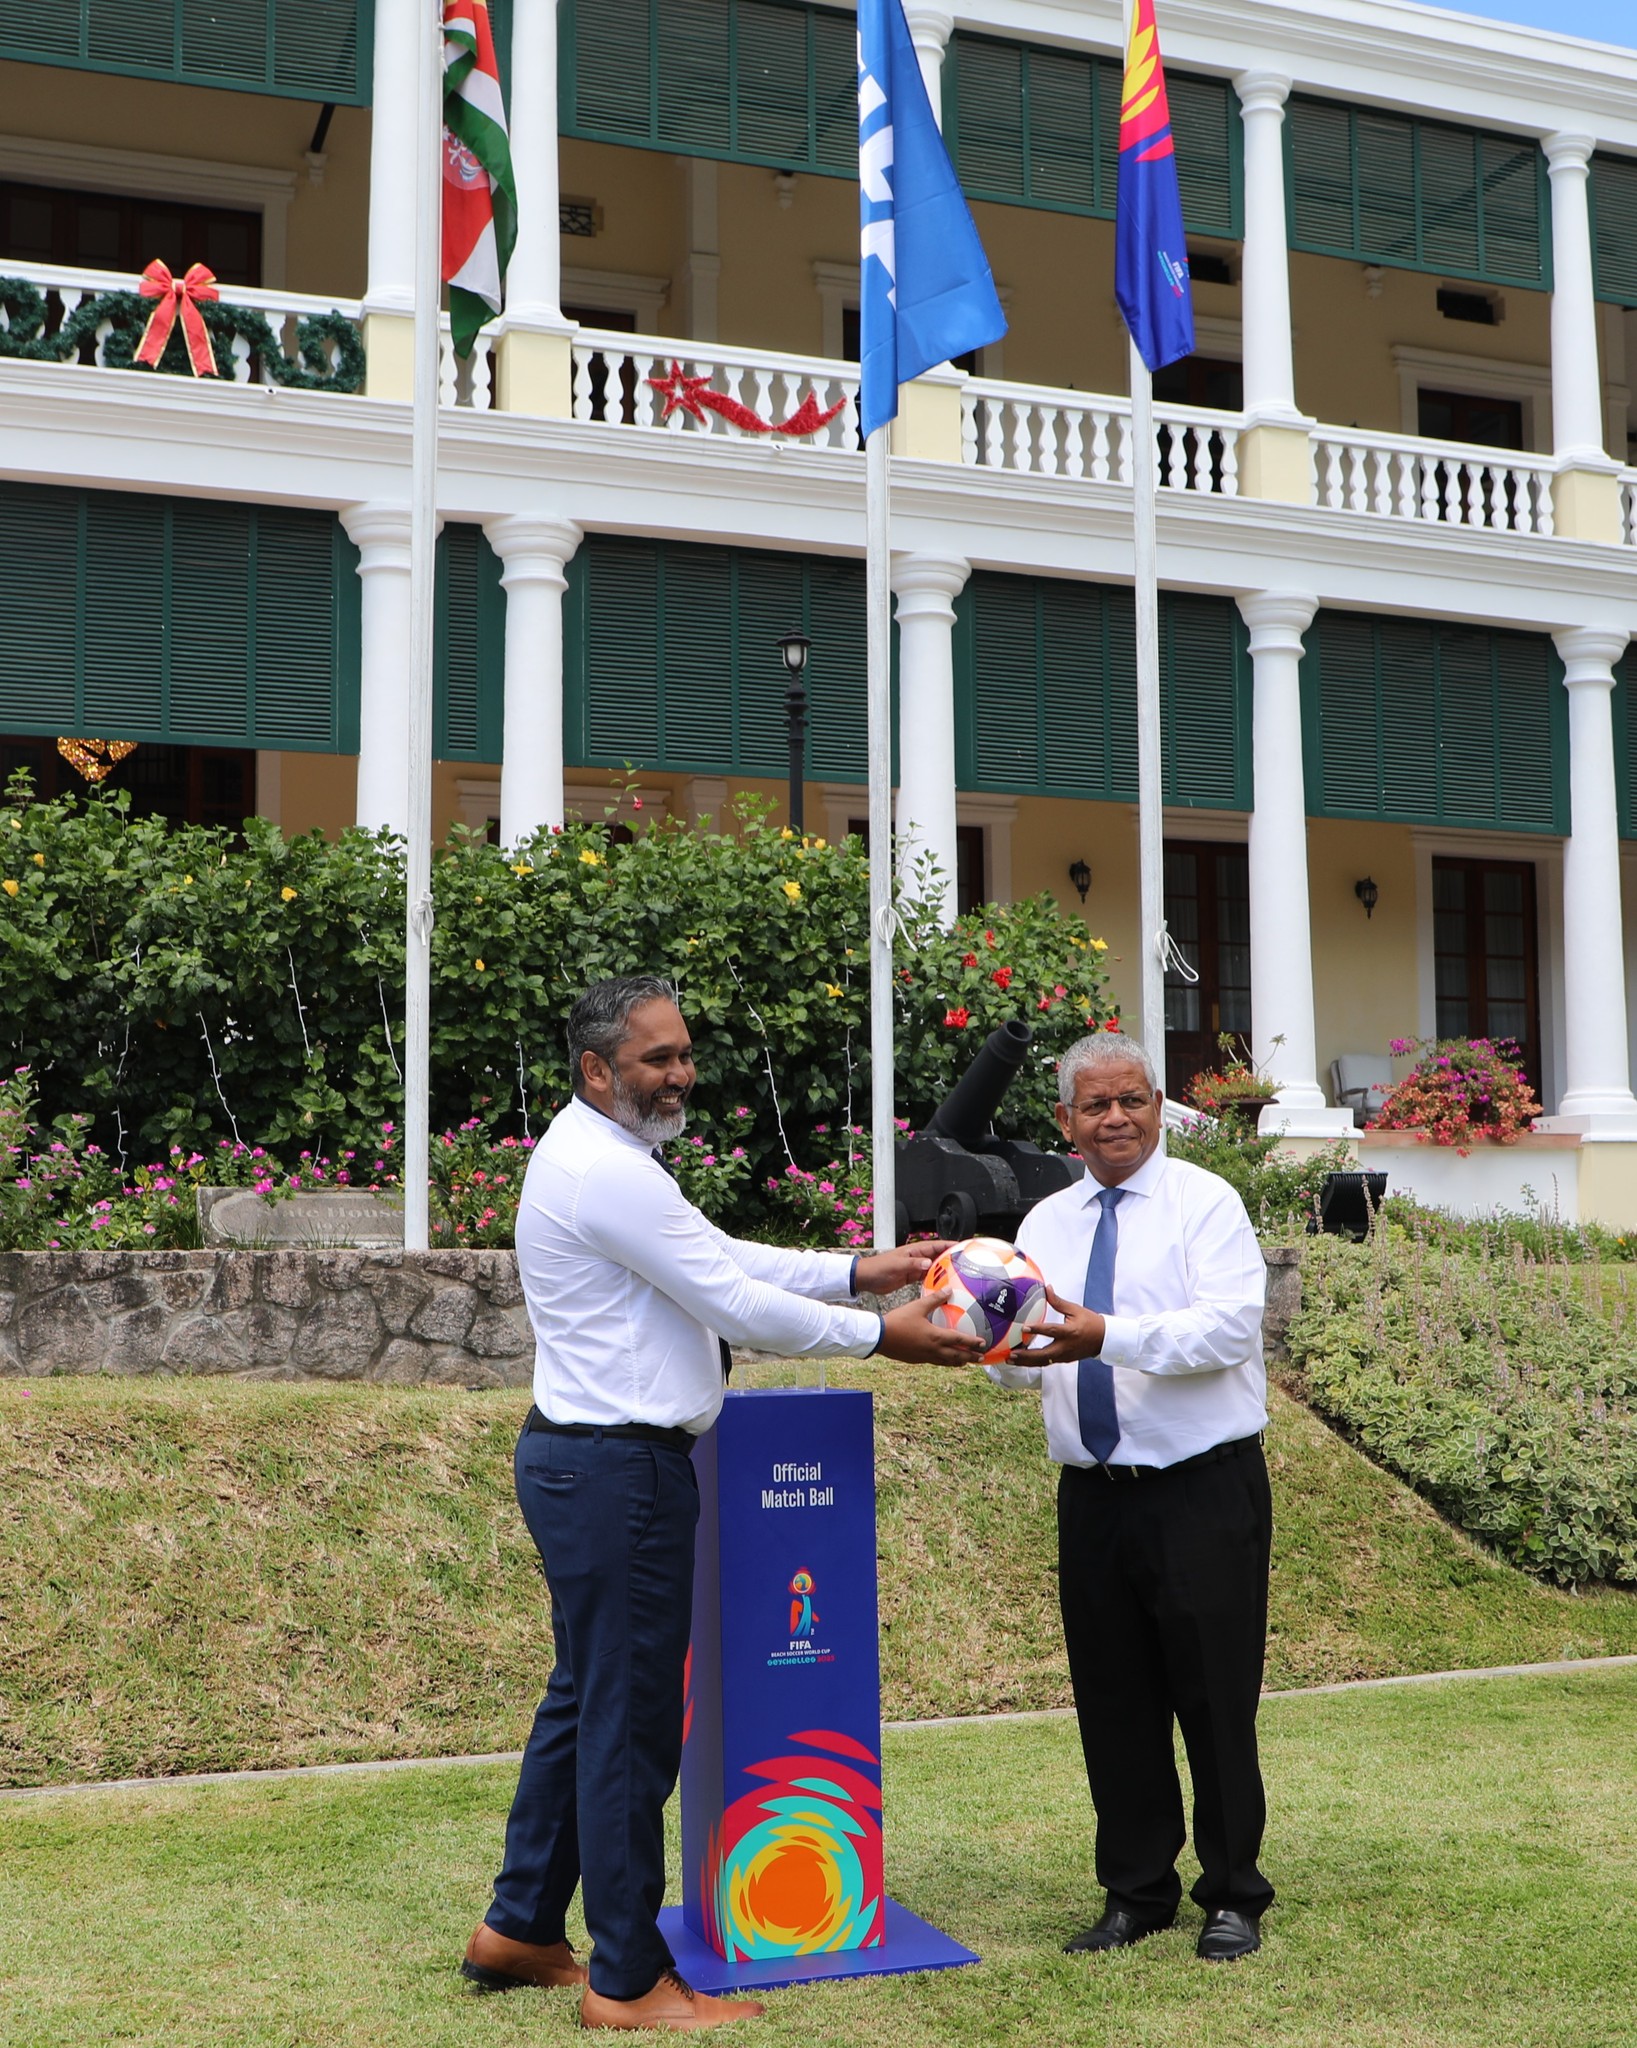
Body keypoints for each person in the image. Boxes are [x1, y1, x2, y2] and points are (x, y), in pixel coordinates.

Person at [463, 974, 981, 2031]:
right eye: (656, 1058)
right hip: (617, 1473)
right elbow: (733, 1300)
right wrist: (888, 1332)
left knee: (584, 1701)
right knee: (626, 1726)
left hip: (591, 1464)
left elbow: (717, 1261)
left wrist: (857, 1269)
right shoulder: (601, 1169)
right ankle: (626, 1980)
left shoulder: (612, 1157)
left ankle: (519, 1924)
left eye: (682, 1051)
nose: (680, 1072)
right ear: (596, 1068)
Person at [990, 1029, 1273, 1963]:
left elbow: (1226, 1329)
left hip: (1201, 1489)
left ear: (1158, 1107)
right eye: (1096, 1106)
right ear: (1064, 1121)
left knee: (1214, 1697)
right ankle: (1135, 1891)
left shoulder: (1206, 1203)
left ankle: (1233, 1892)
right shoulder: (1044, 1225)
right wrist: (993, 1345)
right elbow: (1028, 1361)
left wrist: (1101, 1334)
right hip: (1094, 1496)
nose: (1117, 1119)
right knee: (1112, 1698)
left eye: (1133, 1101)